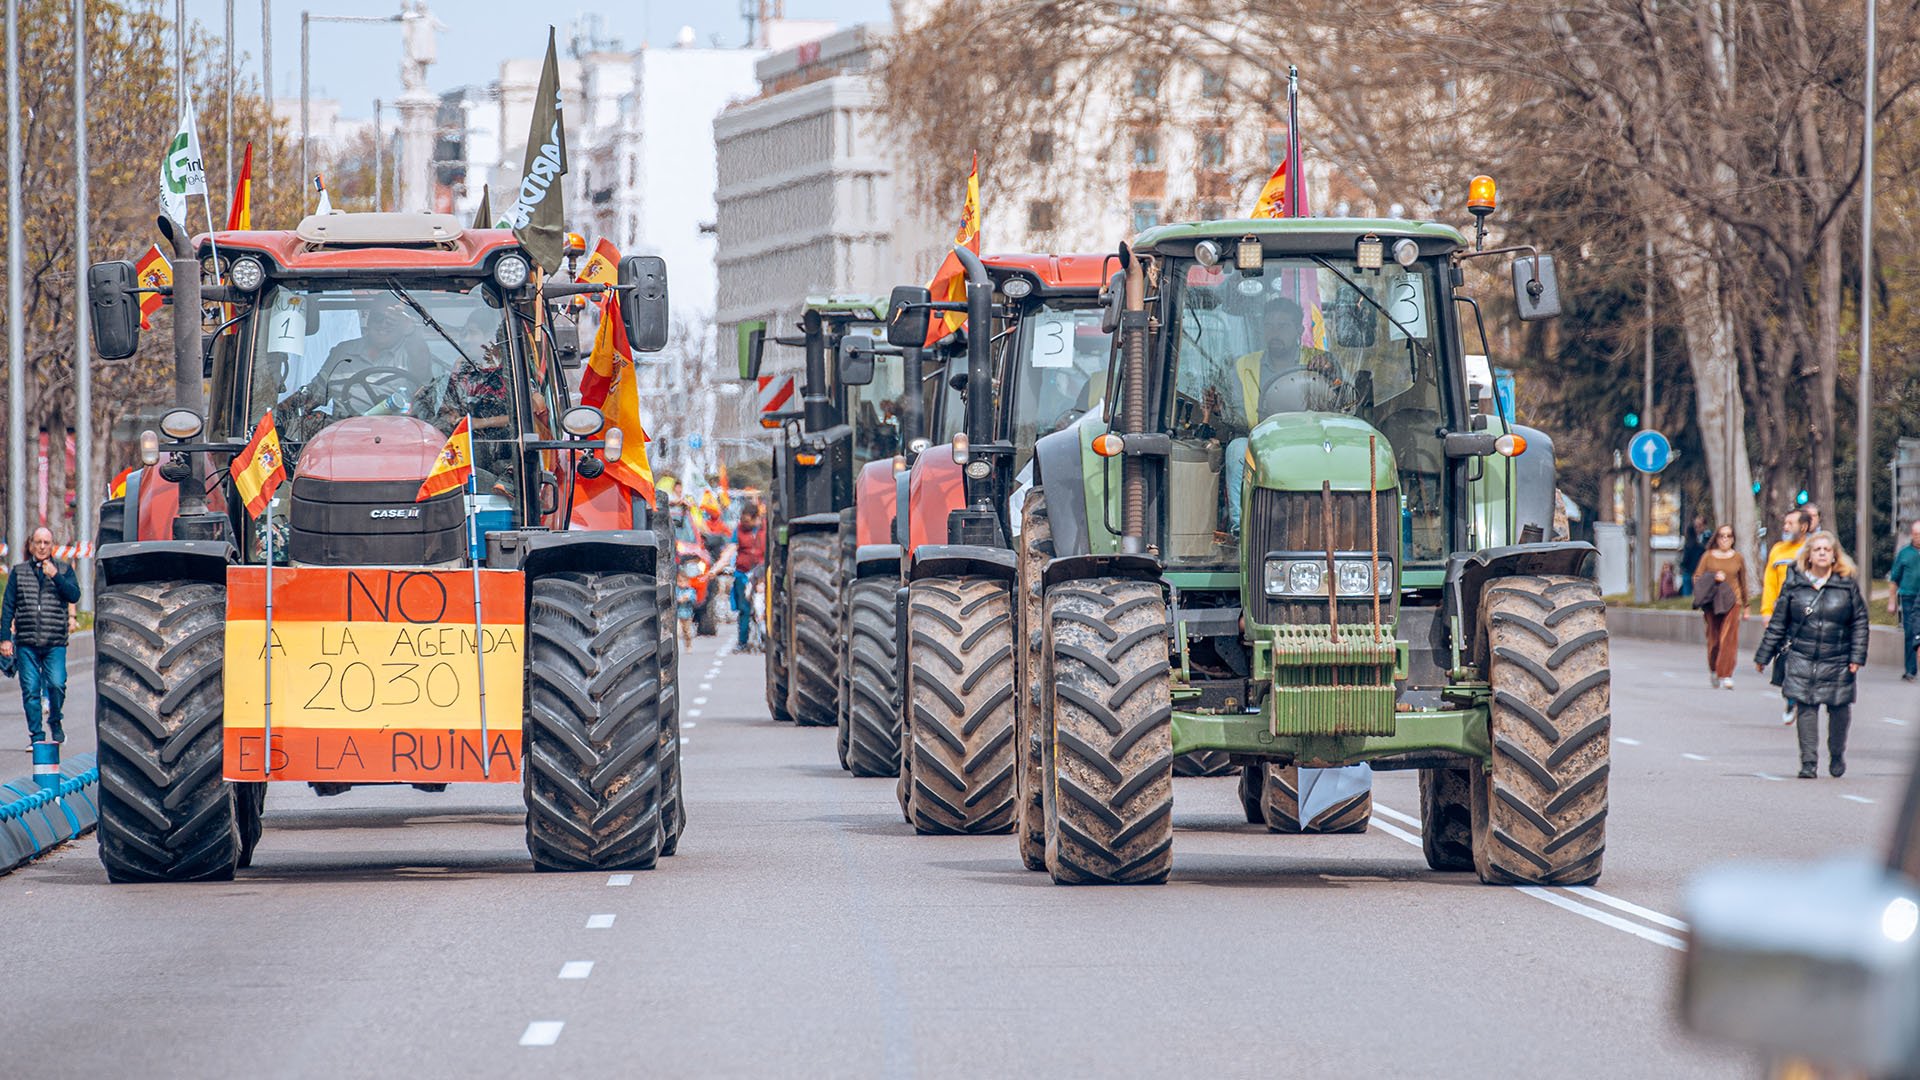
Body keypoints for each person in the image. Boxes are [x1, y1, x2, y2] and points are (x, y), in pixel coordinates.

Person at [1212, 297, 1342, 530]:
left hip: (1311, 441)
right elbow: (1234, 412)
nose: (1275, 332)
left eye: (1283, 326)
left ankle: (1331, 523)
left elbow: (1341, 401)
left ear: (1299, 330)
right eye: (1269, 325)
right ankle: (1240, 528)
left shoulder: (1319, 362)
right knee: (1235, 450)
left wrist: (1331, 372)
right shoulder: (1244, 366)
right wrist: (1220, 408)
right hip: (1260, 442)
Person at [1754, 531, 1869, 778]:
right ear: (1808, 555)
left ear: (1835, 555)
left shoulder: (1846, 585)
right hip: (1802, 656)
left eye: (1827, 550)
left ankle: (1837, 754)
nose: (1822, 554)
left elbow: (1859, 622)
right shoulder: (1795, 584)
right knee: (1806, 707)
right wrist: (1764, 655)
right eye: (1817, 550)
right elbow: (1778, 623)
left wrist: (1856, 657)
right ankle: (1808, 762)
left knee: (1839, 709)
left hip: (1837, 657)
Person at [0, 528, 81, 747]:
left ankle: (55, 720)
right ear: (31, 545)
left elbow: (74, 595)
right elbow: (8, 606)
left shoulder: (62, 570)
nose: (42, 546)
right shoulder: (19, 572)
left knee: (56, 684)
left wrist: (55, 576)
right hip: (26, 642)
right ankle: (36, 736)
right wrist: (5, 638)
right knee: (31, 691)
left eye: (46, 542)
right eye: (38, 542)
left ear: (52, 545)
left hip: (54, 641)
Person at [1760, 509, 1808, 725]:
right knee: (1786, 658)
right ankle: (1790, 697)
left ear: (1804, 527)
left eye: (1791, 523)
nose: (1786, 527)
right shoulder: (1778, 551)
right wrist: (1766, 611)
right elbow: (1770, 583)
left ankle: (1801, 696)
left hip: (1809, 614)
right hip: (1783, 614)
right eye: (1785, 522)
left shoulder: (1812, 550)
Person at [1691, 523, 1748, 689]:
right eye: (1722, 536)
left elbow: (1743, 582)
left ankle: (1726, 674)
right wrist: (1713, 577)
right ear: (1716, 538)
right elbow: (1697, 578)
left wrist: (1746, 605)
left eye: (1729, 536)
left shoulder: (1737, 558)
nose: (1725, 539)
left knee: (1729, 638)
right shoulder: (1708, 556)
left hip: (1733, 601)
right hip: (1712, 602)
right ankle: (1714, 669)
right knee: (1714, 639)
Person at [731, 502, 766, 650]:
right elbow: (731, 549)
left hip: (761, 577)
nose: (744, 524)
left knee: (763, 609)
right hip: (742, 576)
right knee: (744, 610)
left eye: (747, 521)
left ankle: (765, 640)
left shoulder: (764, 530)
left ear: (756, 519)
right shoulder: (738, 531)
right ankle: (742, 642)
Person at [1890, 519, 1920, 682]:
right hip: (1909, 597)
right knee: (1911, 632)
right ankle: (1910, 670)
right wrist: (1891, 601)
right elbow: (1894, 579)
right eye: (1915, 534)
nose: (1918, 538)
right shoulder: (1904, 553)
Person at [1679, 514, 1708, 598]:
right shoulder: (1691, 540)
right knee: (1688, 591)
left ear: (1704, 526)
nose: (1697, 528)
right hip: (1690, 570)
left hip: (1700, 570)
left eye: (1699, 526)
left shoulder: (1707, 538)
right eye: (1695, 526)